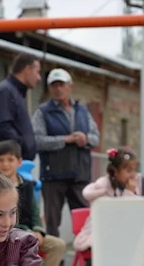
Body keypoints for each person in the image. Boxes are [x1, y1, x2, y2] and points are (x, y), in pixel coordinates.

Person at [32, 68, 100, 240]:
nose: (58, 89)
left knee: (85, 220)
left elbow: (96, 138)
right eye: (54, 85)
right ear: (49, 88)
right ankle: (55, 256)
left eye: (61, 84)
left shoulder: (82, 111)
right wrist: (66, 139)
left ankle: (85, 254)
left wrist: (85, 139)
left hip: (80, 175)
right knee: (52, 223)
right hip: (53, 176)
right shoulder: (42, 112)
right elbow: (37, 141)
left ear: (70, 86)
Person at [0, 140, 65, 266]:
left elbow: (34, 211)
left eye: (10, 160)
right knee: (25, 242)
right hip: (3, 233)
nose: (5, 164)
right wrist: (25, 231)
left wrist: (38, 230)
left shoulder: (27, 185)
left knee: (57, 245)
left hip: (29, 232)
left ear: (19, 162)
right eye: (1, 160)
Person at [73, 147, 142, 252]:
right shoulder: (103, 186)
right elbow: (114, 215)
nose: (133, 175)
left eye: (135, 170)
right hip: (102, 230)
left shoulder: (137, 183)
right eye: (128, 171)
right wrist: (128, 193)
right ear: (116, 172)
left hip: (125, 232)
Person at [0, 52, 41, 161]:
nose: (39, 78)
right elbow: (2, 127)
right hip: (12, 163)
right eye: (37, 72)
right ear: (27, 69)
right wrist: (23, 147)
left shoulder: (16, 92)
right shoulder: (6, 91)